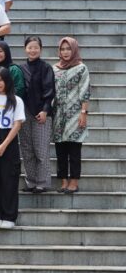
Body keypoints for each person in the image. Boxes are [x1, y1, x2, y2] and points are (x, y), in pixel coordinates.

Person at [0, 67, 26, 229]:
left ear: (7, 81)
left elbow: (17, 125)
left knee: (9, 180)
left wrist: (3, 145)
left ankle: (9, 216)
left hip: (8, 143)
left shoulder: (17, 100)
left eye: (1, 80)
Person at [52, 37, 90, 194]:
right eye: (63, 49)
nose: (65, 52)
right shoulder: (54, 68)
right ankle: (63, 181)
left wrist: (83, 113)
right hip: (58, 115)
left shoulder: (81, 68)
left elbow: (85, 91)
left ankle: (74, 181)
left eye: (68, 49)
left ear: (74, 50)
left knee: (74, 150)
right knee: (60, 149)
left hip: (75, 115)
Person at [19, 36, 55, 194]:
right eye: (30, 47)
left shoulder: (46, 68)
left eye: (36, 47)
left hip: (42, 112)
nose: (32, 50)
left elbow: (50, 91)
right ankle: (31, 181)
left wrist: (45, 110)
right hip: (25, 112)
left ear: (40, 49)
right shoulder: (21, 68)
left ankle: (42, 182)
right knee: (27, 149)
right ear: (25, 49)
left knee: (41, 150)